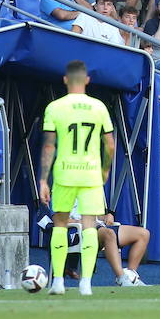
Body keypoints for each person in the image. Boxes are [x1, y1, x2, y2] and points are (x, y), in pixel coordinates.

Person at [39, 59, 115, 297]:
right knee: (90, 225)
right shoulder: (99, 107)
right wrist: (105, 170)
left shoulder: (55, 107)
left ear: (65, 80)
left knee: (60, 223)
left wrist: (43, 179)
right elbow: (110, 144)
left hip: (65, 172)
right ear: (87, 80)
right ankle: (86, 283)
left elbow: (49, 146)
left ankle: (59, 281)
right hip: (91, 173)